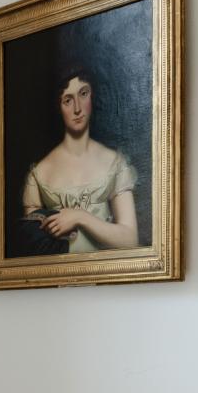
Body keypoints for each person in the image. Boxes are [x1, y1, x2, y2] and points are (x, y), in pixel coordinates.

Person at [22, 68, 139, 254]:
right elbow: (32, 248)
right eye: (67, 100)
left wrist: (80, 217)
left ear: (92, 96)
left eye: (83, 94)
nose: (77, 108)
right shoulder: (39, 173)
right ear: (58, 106)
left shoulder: (115, 163)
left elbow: (131, 240)